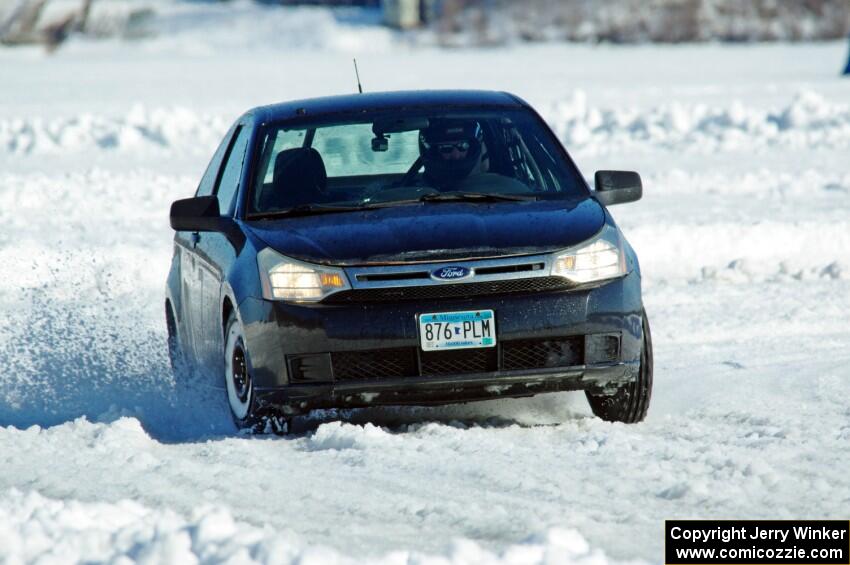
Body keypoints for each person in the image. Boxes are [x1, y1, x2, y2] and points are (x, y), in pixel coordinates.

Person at [418, 119, 485, 189]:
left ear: (472, 148)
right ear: (434, 152)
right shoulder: (418, 192)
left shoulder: (487, 187)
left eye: (463, 145)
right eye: (446, 148)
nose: (456, 155)